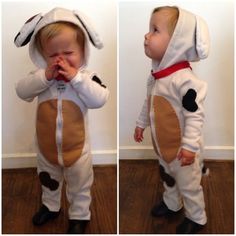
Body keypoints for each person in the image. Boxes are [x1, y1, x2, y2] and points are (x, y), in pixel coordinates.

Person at [15, 7, 109, 234]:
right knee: (48, 179)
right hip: (46, 148)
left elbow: (100, 99)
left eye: (68, 53)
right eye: (52, 55)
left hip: (78, 150)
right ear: (41, 55)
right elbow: (22, 91)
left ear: (83, 51)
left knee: (79, 184)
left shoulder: (87, 79)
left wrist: (76, 79)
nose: (60, 60)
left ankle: (80, 214)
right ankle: (51, 206)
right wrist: (44, 76)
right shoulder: (39, 79)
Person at [134, 6, 210, 234]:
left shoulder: (185, 80)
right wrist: (141, 124)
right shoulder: (156, 76)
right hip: (164, 148)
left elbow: (195, 115)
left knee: (189, 186)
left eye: (155, 30)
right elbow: (149, 103)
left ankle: (197, 218)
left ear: (177, 42)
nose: (147, 36)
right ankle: (171, 203)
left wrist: (189, 147)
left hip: (183, 152)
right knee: (167, 176)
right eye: (149, 29)